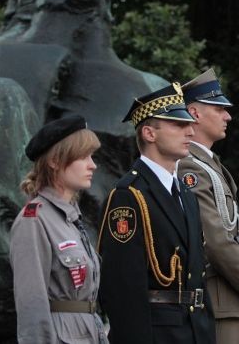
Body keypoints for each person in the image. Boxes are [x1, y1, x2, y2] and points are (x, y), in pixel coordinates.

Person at [98, 83, 216, 344]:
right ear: (150, 133)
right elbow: (122, 290)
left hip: (195, 331)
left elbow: (196, 276)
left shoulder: (186, 194)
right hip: (158, 334)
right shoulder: (128, 196)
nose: (190, 130)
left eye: (189, 123)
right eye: (177, 124)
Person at [177, 68, 239, 343]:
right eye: (219, 108)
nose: (228, 116)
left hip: (229, 299)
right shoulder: (190, 167)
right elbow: (215, 241)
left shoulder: (211, 166)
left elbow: (229, 228)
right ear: (195, 113)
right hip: (217, 298)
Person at [10, 114, 107, 344]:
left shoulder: (70, 219)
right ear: (55, 160)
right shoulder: (33, 220)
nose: (92, 165)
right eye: (83, 156)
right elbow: (31, 305)